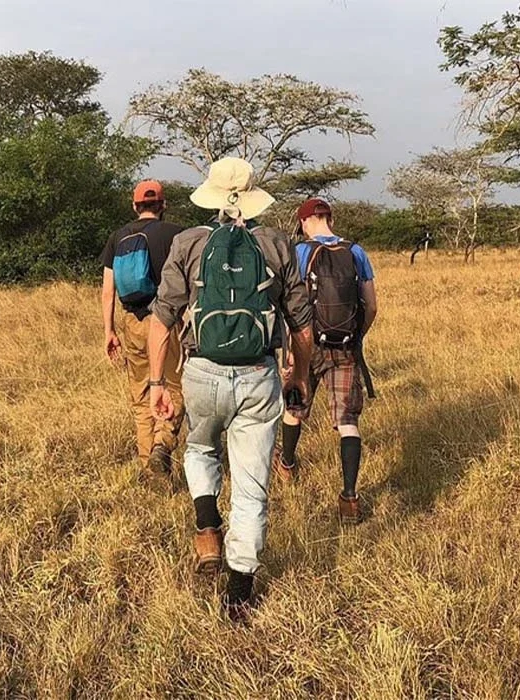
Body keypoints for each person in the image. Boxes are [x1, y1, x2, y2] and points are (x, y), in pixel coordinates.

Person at [147, 157, 312, 621]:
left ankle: (206, 527)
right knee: (252, 484)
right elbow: (302, 325)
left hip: (200, 371)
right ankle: (239, 592)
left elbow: (163, 318)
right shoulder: (279, 245)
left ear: (214, 199)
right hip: (259, 377)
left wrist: (159, 381)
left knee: (199, 450)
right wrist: (298, 376)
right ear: (252, 199)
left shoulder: (189, 242)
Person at [274, 197, 378, 525]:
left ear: (305, 221)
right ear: (330, 218)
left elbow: (289, 307)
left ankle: (287, 465)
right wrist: (356, 338)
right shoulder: (355, 252)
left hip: (307, 346)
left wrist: (290, 349)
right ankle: (349, 497)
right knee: (347, 420)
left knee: (295, 409)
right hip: (345, 347)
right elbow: (372, 305)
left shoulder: (300, 252)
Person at [100, 180, 185, 481]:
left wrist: (109, 330)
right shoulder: (176, 234)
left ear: (135, 206)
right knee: (174, 387)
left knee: (140, 396)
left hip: (132, 322)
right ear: (163, 206)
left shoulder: (118, 236)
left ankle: (148, 465)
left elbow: (108, 290)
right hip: (168, 322)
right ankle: (164, 443)